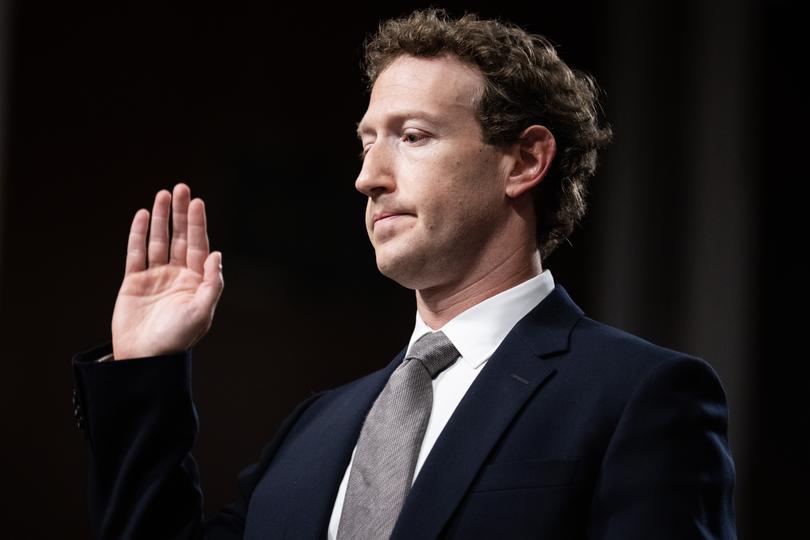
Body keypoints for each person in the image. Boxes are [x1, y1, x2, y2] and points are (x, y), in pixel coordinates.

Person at [71, 8, 737, 539]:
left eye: (412, 136)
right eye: (367, 142)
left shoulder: (640, 397)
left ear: (525, 160)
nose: (367, 177)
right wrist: (145, 368)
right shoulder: (315, 427)